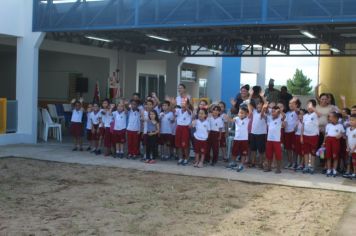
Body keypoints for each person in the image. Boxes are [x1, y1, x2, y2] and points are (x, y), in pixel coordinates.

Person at [226, 107, 250, 172]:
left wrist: (248, 103)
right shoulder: (236, 118)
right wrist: (227, 117)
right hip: (237, 139)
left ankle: (241, 164)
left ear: (246, 114)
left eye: (242, 113)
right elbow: (231, 120)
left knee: (243, 153)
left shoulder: (248, 119)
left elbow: (250, 112)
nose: (240, 114)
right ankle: (233, 163)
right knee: (234, 152)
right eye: (239, 112)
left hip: (244, 139)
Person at [323, 112, 345, 177]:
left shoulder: (340, 126)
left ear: (336, 118)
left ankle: (334, 170)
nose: (329, 118)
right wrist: (323, 142)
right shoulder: (328, 125)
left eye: (331, 117)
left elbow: (344, 134)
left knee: (335, 156)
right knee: (328, 156)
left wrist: (340, 135)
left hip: (336, 141)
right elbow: (326, 135)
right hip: (328, 141)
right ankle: (329, 169)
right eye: (329, 117)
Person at [265, 105, 286, 174]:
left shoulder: (280, 118)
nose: (273, 113)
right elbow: (265, 113)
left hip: (276, 140)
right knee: (269, 154)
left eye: (274, 112)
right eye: (272, 111)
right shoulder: (269, 118)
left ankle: (278, 169)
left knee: (278, 154)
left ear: (278, 112)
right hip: (269, 139)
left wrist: (279, 111)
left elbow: (284, 116)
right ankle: (269, 167)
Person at [302, 99, 320, 174]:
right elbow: (303, 126)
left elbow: (319, 114)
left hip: (313, 136)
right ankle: (306, 166)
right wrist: (301, 136)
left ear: (314, 106)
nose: (309, 107)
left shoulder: (315, 114)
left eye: (311, 105)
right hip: (305, 135)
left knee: (313, 152)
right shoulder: (305, 116)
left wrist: (313, 108)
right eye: (308, 105)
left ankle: (312, 166)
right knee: (306, 152)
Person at [248, 99, 267, 169]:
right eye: (257, 104)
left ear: (263, 106)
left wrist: (263, 98)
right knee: (253, 149)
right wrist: (250, 95)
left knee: (261, 150)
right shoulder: (254, 111)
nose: (258, 105)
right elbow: (249, 105)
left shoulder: (265, 113)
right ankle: (253, 162)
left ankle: (261, 163)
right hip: (253, 133)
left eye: (260, 104)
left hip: (261, 134)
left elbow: (262, 113)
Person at [174, 99, 192, 166]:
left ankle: (186, 158)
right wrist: (173, 104)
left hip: (185, 129)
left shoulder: (189, 111)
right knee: (179, 145)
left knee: (185, 145)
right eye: (182, 103)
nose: (182, 104)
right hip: (179, 127)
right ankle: (180, 158)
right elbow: (173, 111)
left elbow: (189, 112)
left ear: (187, 104)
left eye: (184, 103)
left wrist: (186, 106)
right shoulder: (178, 110)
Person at [284, 98, 300, 169]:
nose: (290, 105)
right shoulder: (287, 113)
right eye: (289, 103)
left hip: (294, 133)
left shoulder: (297, 112)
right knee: (288, 149)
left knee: (294, 149)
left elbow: (298, 111)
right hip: (286, 132)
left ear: (296, 105)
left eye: (292, 103)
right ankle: (289, 162)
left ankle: (294, 163)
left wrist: (295, 106)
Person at [345, 114, 356, 179]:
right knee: (349, 160)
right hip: (349, 149)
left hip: (354, 150)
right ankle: (348, 171)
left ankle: (354, 173)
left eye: (353, 120)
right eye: (350, 120)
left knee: (354, 161)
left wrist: (353, 149)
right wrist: (347, 147)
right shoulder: (348, 129)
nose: (351, 121)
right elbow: (347, 138)